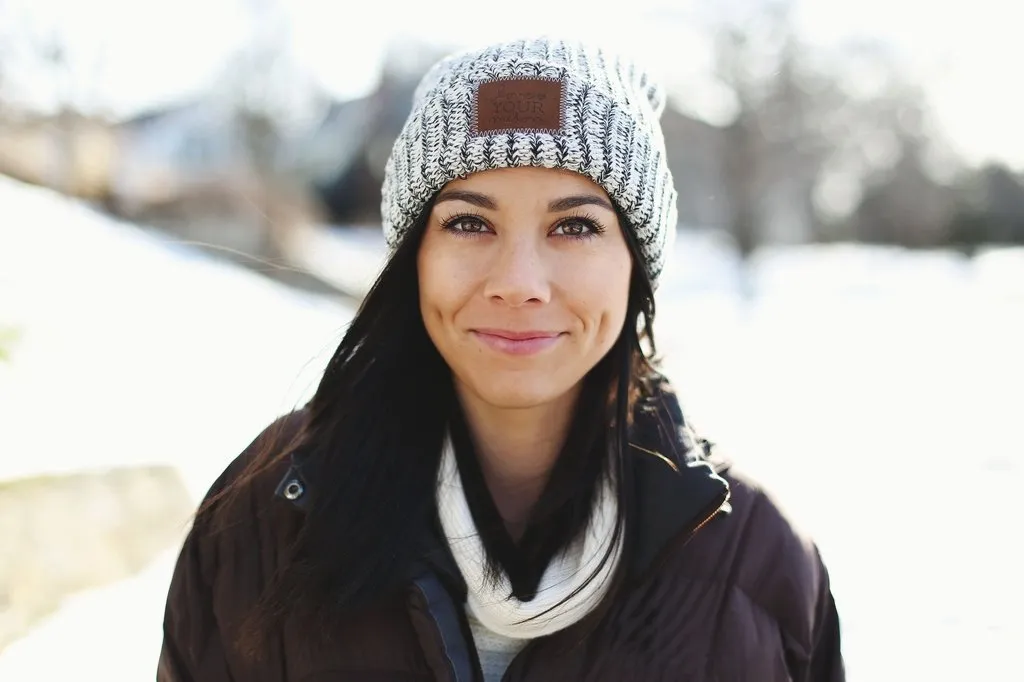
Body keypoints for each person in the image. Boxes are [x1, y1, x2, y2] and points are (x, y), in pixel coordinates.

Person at [158, 37, 844, 682]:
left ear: (636, 263)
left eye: (575, 226)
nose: (519, 281)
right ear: (414, 257)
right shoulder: (260, 514)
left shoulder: (759, 565)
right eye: (468, 222)